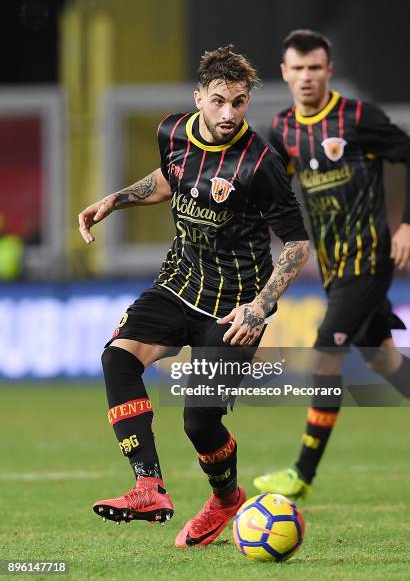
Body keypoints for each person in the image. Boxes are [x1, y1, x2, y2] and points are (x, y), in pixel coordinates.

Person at [78, 45, 310, 547]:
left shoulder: (260, 163)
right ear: (199, 97)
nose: (230, 114)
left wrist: (261, 306)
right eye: (221, 101)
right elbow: (173, 178)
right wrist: (114, 200)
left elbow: (297, 243)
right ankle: (148, 486)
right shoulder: (172, 131)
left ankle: (226, 499)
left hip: (236, 306)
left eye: (240, 102)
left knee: (198, 418)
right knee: (117, 359)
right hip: (178, 284)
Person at [253, 29, 410, 498]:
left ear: (328, 71)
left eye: (314, 68)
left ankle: (302, 472)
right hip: (333, 267)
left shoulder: (358, 117)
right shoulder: (282, 129)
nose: (306, 77)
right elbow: (271, 195)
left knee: (325, 354)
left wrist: (406, 226)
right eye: (297, 69)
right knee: (381, 359)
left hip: (368, 259)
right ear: (284, 73)